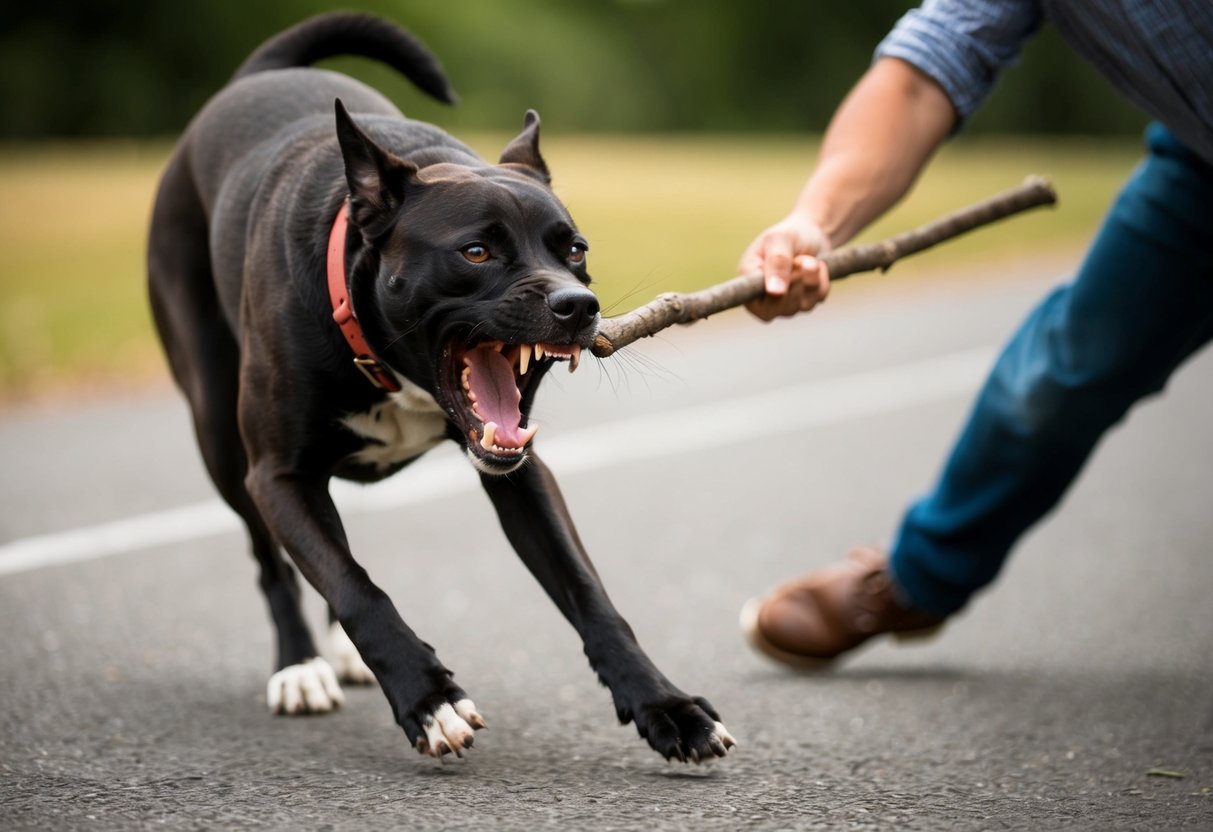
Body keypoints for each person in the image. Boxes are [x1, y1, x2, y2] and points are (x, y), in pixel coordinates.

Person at [738, 0, 1213, 668]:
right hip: (1199, 169)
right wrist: (814, 221)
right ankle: (920, 577)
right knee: (1050, 382)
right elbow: (925, 69)